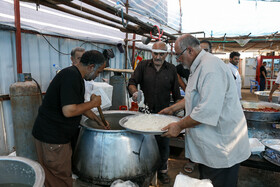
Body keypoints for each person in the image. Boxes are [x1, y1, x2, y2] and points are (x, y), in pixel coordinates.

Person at [159, 34, 250, 187]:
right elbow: (194, 96)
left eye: (178, 55)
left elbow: (206, 110)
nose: (178, 60)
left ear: (189, 51)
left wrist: (179, 126)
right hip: (210, 148)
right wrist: (172, 108)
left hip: (221, 149)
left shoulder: (210, 68)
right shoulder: (198, 66)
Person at [32, 50, 107, 187]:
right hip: (53, 140)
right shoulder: (71, 77)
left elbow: (78, 106)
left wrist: (98, 120)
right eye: (98, 71)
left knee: (51, 179)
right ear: (91, 66)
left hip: (50, 136)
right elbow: (69, 111)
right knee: (60, 180)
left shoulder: (74, 75)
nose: (97, 75)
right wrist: (93, 103)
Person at [128, 41, 181, 184]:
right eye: (155, 53)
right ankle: (144, 170)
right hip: (145, 112)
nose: (158, 57)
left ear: (166, 54)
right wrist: (134, 93)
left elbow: (176, 94)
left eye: (161, 54)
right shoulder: (143, 65)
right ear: (151, 53)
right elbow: (131, 82)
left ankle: (162, 171)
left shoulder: (171, 69)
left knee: (163, 144)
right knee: (143, 143)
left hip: (164, 114)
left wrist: (176, 109)